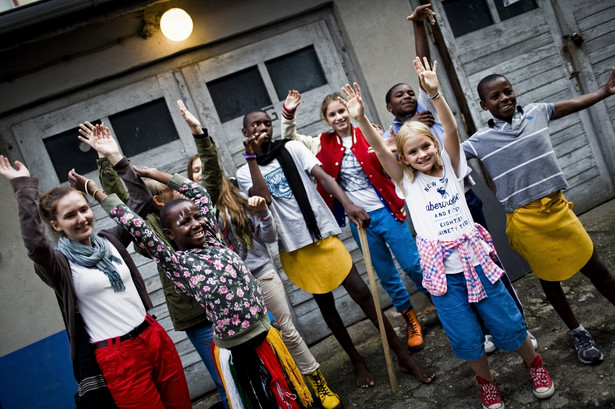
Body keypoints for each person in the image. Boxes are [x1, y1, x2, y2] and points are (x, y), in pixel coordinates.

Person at [344, 57, 555, 409]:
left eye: (426, 146)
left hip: (475, 260)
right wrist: (361, 119)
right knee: (466, 336)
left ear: (434, 146)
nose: (422, 153)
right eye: (412, 151)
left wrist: (435, 93)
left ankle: (533, 363)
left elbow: (451, 129)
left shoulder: (452, 168)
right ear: (405, 158)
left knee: (507, 323)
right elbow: (381, 150)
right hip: (442, 272)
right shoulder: (406, 182)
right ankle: (486, 382)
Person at [73, 126, 313, 409]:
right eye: (184, 223)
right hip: (238, 351)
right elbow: (132, 220)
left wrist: (155, 174)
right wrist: (95, 190)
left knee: (286, 392)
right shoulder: (176, 262)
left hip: (267, 336)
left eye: (197, 217)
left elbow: (197, 191)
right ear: (170, 235)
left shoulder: (213, 239)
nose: (195, 223)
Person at [235, 109, 436, 389]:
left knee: (363, 294)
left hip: (323, 237)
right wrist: (252, 158)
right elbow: (264, 198)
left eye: (267, 123)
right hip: (295, 248)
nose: (263, 128)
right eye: (255, 124)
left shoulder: (292, 148)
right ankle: (357, 361)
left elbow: (325, 178)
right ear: (245, 133)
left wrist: (348, 204)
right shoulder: (244, 172)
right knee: (327, 307)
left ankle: (403, 355)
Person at [0, 125, 191, 409]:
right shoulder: (58, 263)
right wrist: (24, 190)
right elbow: (34, 245)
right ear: (56, 225)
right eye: (70, 215)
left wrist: (116, 158)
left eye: (84, 209)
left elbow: (138, 206)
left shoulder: (110, 239)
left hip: (153, 335)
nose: (81, 218)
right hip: (118, 355)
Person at [392, 3, 535, 354]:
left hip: (462, 196)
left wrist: (418, 27)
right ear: (391, 109)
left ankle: (514, 325)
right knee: (456, 279)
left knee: (488, 266)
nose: (408, 96)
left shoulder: (431, 107)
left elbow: (425, 67)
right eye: (399, 96)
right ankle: (483, 334)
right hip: (435, 217)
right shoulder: (395, 138)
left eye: (410, 92)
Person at [183, 104, 341, 409]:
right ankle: (282, 393)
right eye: (195, 173)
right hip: (231, 290)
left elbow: (268, 238)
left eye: (206, 168)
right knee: (255, 345)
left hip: (260, 273)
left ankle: (316, 383)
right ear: (190, 181)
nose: (202, 175)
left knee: (286, 330)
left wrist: (264, 214)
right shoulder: (191, 217)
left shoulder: (238, 198)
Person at [463, 66, 615, 365]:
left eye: (507, 91)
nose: (504, 98)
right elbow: (445, 153)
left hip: (558, 209)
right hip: (525, 220)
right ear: (484, 105)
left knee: (595, 266)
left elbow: (570, 105)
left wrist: (603, 92)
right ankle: (577, 331)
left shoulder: (537, 112)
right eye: (495, 96)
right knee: (548, 278)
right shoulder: (479, 141)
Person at [95, 101, 230, 408]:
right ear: (158, 203)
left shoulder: (200, 217)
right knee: (227, 384)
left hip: (230, 307)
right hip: (198, 320)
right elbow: (128, 204)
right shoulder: (153, 236)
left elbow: (210, 174)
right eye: (172, 193)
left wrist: (199, 134)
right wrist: (107, 160)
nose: (184, 196)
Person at [281, 89, 428, 349]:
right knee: (386, 275)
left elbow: (395, 154)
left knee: (413, 265)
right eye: (332, 114)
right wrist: (289, 114)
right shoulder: (321, 143)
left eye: (342, 111)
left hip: (389, 212)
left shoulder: (368, 131)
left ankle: (444, 304)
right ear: (326, 119)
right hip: (361, 222)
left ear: (349, 111)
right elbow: (289, 141)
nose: (339, 117)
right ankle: (410, 320)